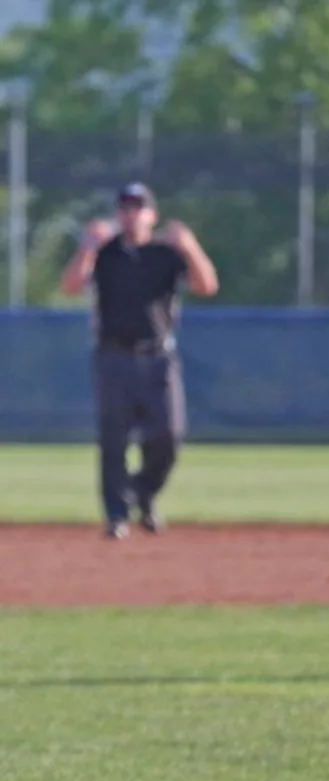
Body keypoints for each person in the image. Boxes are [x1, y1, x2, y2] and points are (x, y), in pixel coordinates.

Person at [59, 182, 219, 538]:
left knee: (169, 435)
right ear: (118, 213)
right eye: (125, 207)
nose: (131, 214)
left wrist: (190, 247)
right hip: (113, 355)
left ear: (152, 215)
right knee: (113, 439)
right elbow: (70, 287)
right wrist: (87, 246)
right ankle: (116, 515)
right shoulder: (106, 252)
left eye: (139, 207)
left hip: (158, 356)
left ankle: (142, 493)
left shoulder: (165, 253)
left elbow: (207, 286)